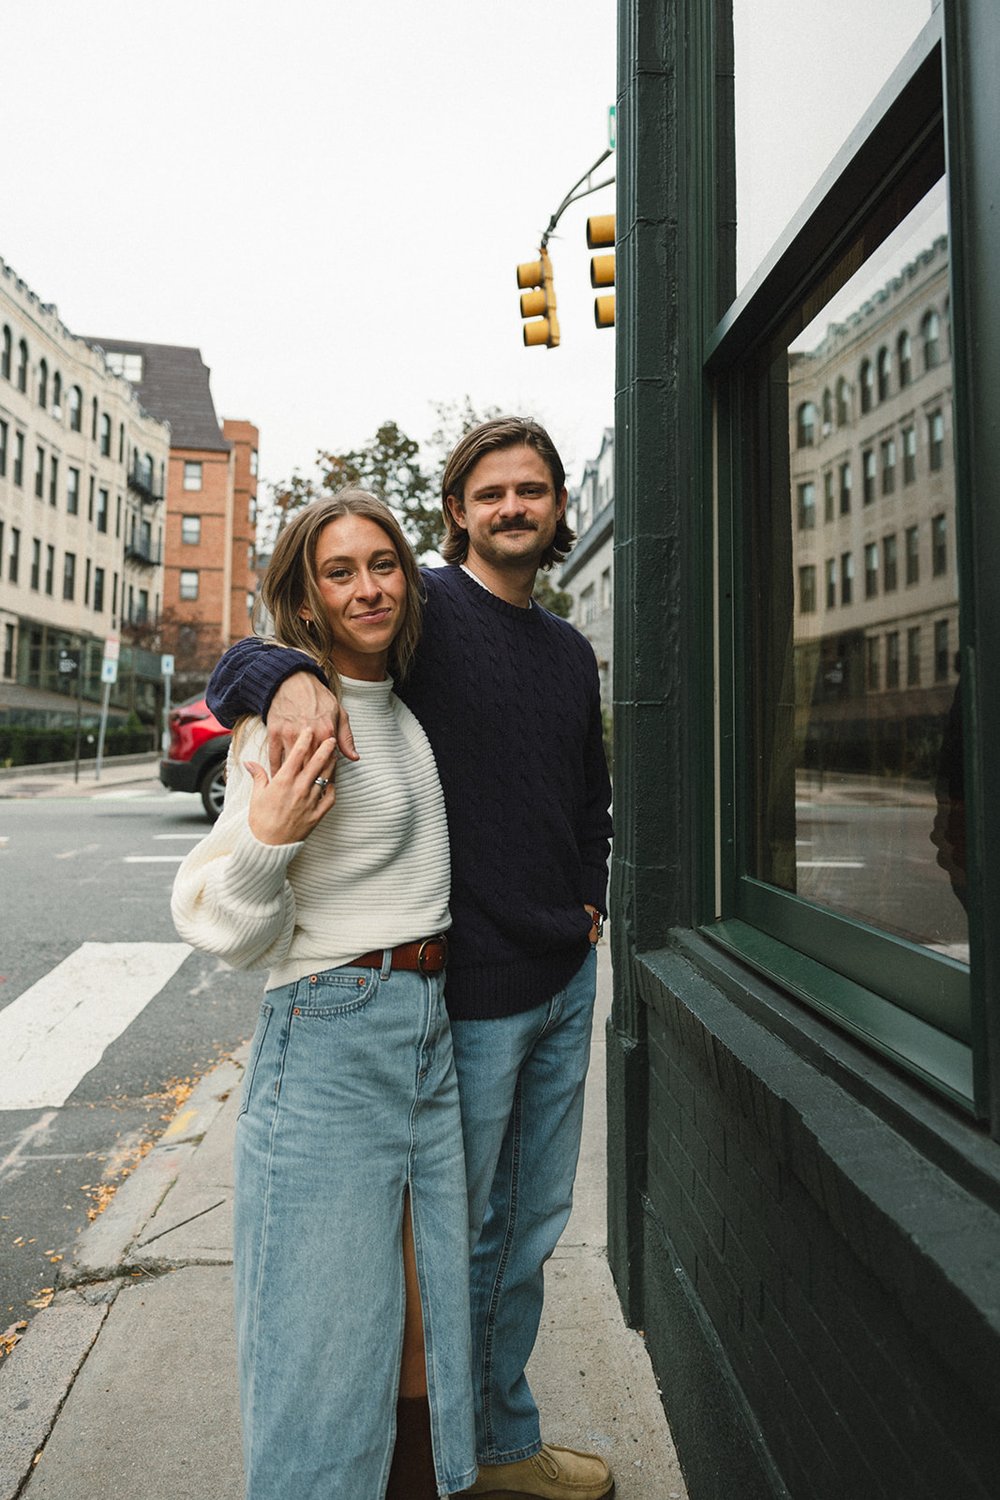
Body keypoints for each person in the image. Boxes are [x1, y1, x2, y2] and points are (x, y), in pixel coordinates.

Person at [207, 417, 615, 1500]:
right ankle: (461, 1453)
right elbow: (255, 652)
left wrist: (589, 899)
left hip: (558, 978)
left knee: (520, 1235)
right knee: (428, 1266)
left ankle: (498, 1441)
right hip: (452, 998)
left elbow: (588, 796)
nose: (514, 508)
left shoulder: (569, 649)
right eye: (492, 493)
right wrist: (280, 679)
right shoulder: (425, 619)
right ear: (458, 511)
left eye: (533, 490)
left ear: (559, 508)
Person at [172, 490, 476, 1500]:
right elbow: (217, 918)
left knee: (423, 1318)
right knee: (321, 1337)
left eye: (381, 563)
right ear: (306, 601)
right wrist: (268, 840)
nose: (366, 586)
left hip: (424, 1026)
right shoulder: (293, 725)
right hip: (333, 1025)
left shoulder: (400, 700)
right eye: (337, 572)